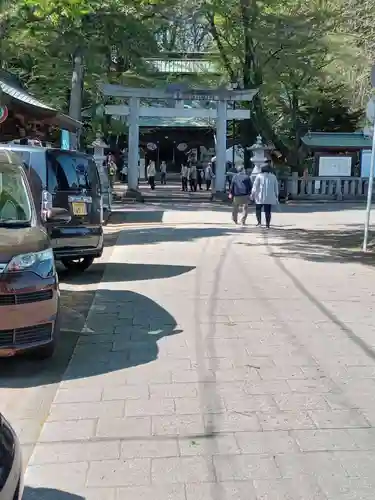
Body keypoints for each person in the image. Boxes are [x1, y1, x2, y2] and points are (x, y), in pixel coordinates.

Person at [251, 164, 279, 228]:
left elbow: (255, 186)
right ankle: (267, 224)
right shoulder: (273, 176)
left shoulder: (259, 176)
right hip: (269, 197)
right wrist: (276, 195)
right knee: (268, 211)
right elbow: (276, 187)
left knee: (258, 209)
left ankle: (259, 222)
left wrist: (252, 194)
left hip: (259, 196)